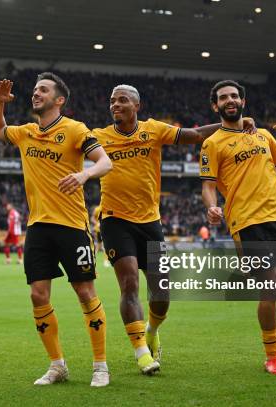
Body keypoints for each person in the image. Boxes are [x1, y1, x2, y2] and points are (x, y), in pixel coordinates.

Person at [93, 84, 256, 375]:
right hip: (115, 220)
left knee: (161, 292)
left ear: (137, 106)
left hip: (150, 223)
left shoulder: (153, 129)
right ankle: (141, 352)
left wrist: (232, 124)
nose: (115, 105)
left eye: (122, 100)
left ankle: (152, 330)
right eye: (112, 101)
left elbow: (193, 136)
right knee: (129, 284)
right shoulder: (99, 137)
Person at [0, 73, 113, 387]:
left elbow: (105, 162)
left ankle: (100, 365)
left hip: (72, 225)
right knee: (37, 294)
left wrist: (85, 175)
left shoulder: (74, 129)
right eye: (34, 90)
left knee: (85, 293)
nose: (36, 93)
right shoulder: (26, 132)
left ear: (59, 100)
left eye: (43, 90)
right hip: (38, 227)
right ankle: (57, 365)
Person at [201, 80, 276, 375]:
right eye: (223, 97)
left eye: (234, 96)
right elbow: (208, 185)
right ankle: (271, 355)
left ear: (243, 101)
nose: (230, 100)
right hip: (246, 221)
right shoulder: (212, 143)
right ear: (216, 106)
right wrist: (212, 206)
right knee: (270, 286)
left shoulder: (263, 135)